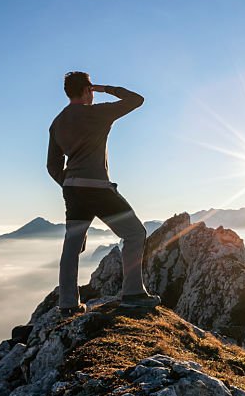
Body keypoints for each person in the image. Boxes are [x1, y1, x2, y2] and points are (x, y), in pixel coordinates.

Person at [47, 71, 161, 315]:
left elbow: (52, 165)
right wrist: (103, 88)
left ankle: (67, 304)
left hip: (73, 191)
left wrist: (69, 182)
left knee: (72, 245)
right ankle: (132, 293)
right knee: (135, 233)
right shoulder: (98, 113)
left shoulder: (57, 122)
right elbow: (136, 99)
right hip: (98, 188)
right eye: (90, 90)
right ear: (88, 90)